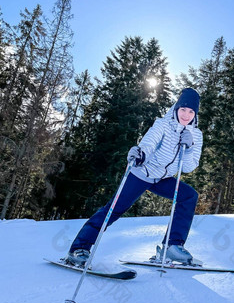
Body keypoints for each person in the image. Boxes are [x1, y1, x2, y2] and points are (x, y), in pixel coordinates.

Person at [65, 88, 203, 267]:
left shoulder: (196, 135)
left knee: (188, 196)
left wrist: (190, 146)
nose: (186, 115)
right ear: (176, 108)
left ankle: (172, 246)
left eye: (191, 111)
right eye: (183, 109)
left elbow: (188, 167)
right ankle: (79, 248)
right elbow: (149, 142)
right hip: (142, 172)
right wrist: (141, 154)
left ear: (195, 114)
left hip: (163, 178)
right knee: (114, 209)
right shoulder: (163, 125)